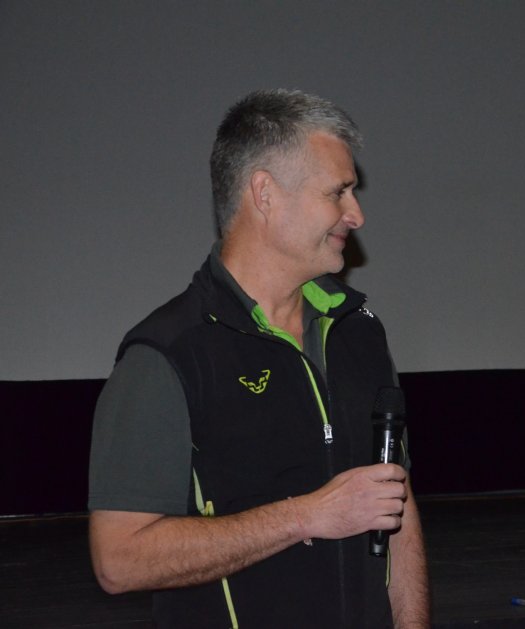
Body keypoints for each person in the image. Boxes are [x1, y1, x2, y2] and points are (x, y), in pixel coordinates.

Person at [87, 89, 429, 628]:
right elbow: (118, 560)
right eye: (337, 192)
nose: (356, 214)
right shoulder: (168, 355)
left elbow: (396, 504)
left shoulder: (357, 332)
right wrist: (306, 516)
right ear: (265, 194)